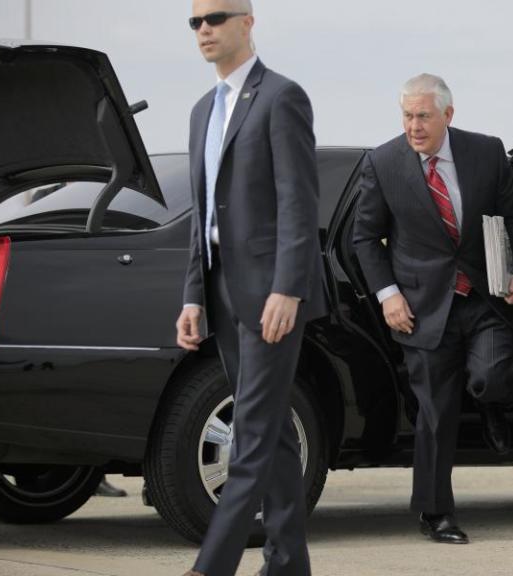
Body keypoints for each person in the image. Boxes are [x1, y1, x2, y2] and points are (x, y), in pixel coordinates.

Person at [352, 73, 513, 545]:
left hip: (481, 296)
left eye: (423, 117)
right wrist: (388, 296)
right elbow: (365, 238)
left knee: (494, 375)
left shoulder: (487, 152)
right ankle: (436, 513)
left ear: (448, 116)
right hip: (419, 307)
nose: (414, 126)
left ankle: (490, 404)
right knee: (435, 413)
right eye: (407, 116)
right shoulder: (384, 161)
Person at [175, 0, 324, 574]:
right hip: (222, 293)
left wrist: (289, 287)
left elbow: (297, 200)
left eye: (215, 18)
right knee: (274, 434)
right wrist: (193, 294)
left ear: (248, 22)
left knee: (253, 435)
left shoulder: (281, 96)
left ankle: (209, 568)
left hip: (271, 299)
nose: (205, 30)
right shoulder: (199, 112)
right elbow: (200, 215)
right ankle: (288, 563)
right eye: (195, 22)